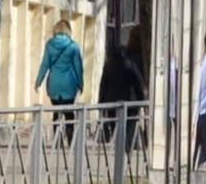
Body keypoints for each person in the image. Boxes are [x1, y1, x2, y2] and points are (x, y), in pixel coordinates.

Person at [35, 19, 85, 147]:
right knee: (69, 113)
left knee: (56, 112)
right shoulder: (73, 46)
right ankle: (71, 139)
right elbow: (78, 67)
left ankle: (57, 142)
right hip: (69, 84)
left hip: (54, 84)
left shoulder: (50, 45)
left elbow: (44, 64)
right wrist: (80, 83)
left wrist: (38, 82)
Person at [97, 24, 145, 147]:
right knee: (129, 129)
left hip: (112, 101)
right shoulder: (134, 61)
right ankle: (127, 154)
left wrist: (101, 102)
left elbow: (104, 83)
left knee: (116, 128)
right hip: (131, 102)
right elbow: (138, 81)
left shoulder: (110, 63)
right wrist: (142, 99)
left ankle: (121, 151)